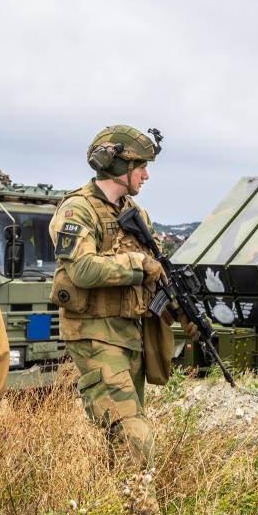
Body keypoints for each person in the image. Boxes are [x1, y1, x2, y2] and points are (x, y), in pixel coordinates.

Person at [48, 125, 174, 472]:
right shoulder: (77, 210)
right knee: (134, 434)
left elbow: (154, 273)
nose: (146, 175)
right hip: (93, 333)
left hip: (129, 335)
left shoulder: (136, 214)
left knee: (124, 434)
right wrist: (138, 263)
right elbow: (83, 270)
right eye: (141, 166)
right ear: (119, 166)